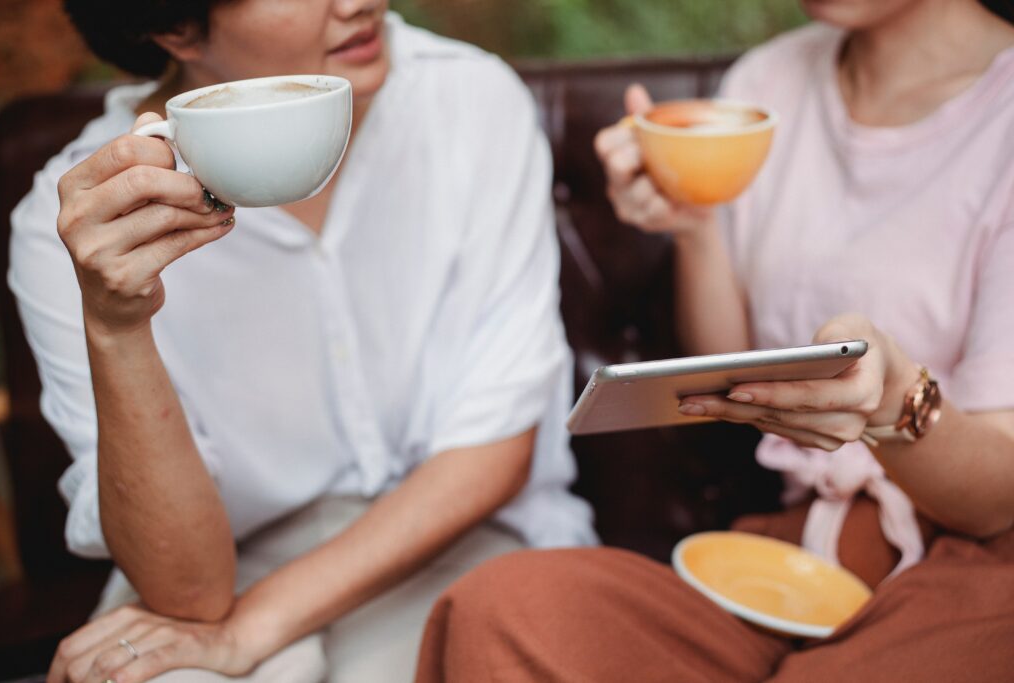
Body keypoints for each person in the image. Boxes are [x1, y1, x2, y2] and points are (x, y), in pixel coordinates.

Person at [415, 0, 1014, 680]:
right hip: (789, 562)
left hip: (974, 562)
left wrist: (895, 400)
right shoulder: (767, 85)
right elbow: (729, 360)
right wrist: (695, 223)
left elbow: (997, 499)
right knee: (503, 610)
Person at [9, 1, 597, 681]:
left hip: (463, 541)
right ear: (174, 25)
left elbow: (490, 456)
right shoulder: (80, 224)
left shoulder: (470, 100)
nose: (362, 2)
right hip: (223, 574)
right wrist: (117, 327)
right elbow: (190, 593)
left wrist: (254, 627)